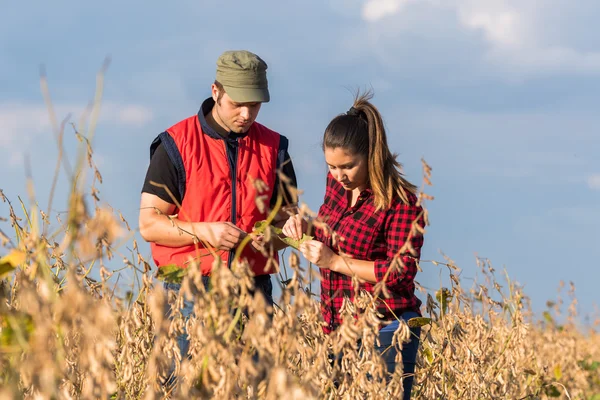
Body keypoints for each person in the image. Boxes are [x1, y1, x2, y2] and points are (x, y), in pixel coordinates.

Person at [139, 50, 298, 358]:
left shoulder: (276, 148)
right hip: (187, 293)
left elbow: (287, 227)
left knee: (254, 389)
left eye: (254, 105)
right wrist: (204, 232)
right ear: (216, 92)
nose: (246, 114)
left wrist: (276, 237)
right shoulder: (175, 144)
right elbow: (149, 224)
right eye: (237, 103)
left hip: (253, 293)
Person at [282, 91, 424, 399]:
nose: (338, 175)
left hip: (386, 332)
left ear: (371, 153)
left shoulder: (401, 203)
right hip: (337, 331)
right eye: (331, 166)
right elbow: (329, 230)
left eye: (346, 166)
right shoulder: (336, 185)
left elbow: (399, 274)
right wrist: (303, 228)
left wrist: (334, 261)